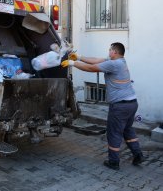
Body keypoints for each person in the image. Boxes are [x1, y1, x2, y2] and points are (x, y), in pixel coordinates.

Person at [61, 42, 145, 170]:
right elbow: (95, 60)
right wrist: (78, 57)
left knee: (114, 133)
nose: (108, 51)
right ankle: (138, 154)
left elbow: (92, 67)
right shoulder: (120, 61)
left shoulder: (113, 64)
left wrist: (73, 64)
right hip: (132, 103)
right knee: (127, 129)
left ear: (115, 52)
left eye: (110, 50)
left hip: (120, 106)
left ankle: (114, 162)